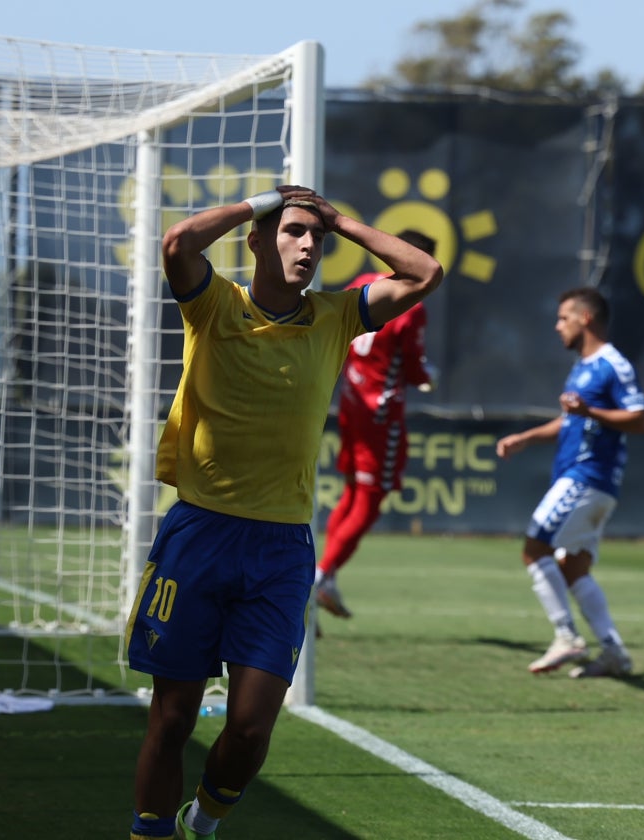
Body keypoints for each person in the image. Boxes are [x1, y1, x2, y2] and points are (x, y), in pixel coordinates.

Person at [125, 185, 442, 840]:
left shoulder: (336, 316)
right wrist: (261, 201)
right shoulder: (216, 304)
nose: (307, 246)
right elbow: (177, 244)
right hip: (199, 535)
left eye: (315, 239)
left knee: (248, 728)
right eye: (293, 232)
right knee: (173, 717)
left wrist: (340, 221)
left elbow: (424, 273)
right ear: (258, 243)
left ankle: (204, 823)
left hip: (280, 552)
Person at [495, 287, 644, 678]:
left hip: (588, 476)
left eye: (564, 317)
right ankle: (614, 651)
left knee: (534, 548)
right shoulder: (582, 366)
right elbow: (574, 420)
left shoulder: (612, 364)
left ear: (586, 318)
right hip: (586, 479)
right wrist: (527, 438)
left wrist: (591, 410)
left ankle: (566, 636)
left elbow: (641, 418)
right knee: (573, 569)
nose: (557, 325)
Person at [314, 229, 439, 620]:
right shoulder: (410, 304)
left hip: (351, 403)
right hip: (379, 413)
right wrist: (425, 375)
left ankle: (325, 576)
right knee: (369, 499)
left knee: (353, 492)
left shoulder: (362, 284)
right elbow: (414, 364)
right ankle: (320, 577)